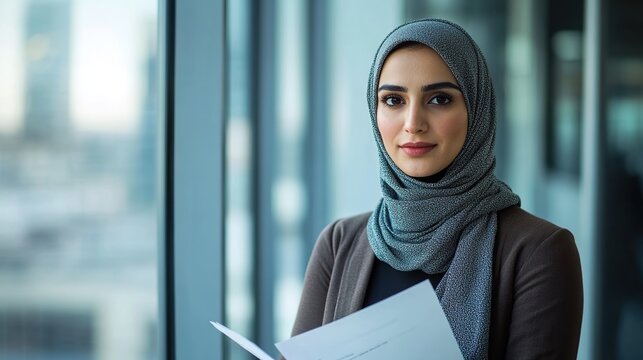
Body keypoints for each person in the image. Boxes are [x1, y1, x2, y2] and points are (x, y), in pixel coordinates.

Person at [290, 19, 583, 359]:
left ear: (476, 109)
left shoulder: (539, 252)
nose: (413, 123)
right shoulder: (339, 243)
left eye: (440, 99)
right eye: (393, 100)